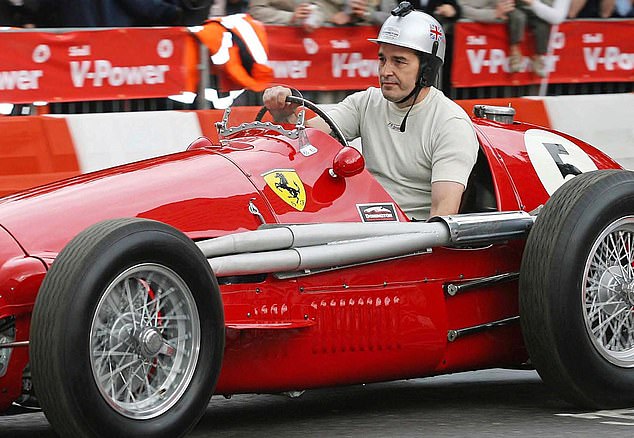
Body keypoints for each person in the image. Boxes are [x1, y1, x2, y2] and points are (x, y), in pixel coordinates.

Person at [263, 1, 479, 220]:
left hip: (412, 238)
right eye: (382, 59)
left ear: (427, 70)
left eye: (399, 62)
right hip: (360, 222)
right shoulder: (366, 101)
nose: (386, 71)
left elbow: (443, 217)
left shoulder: (450, 123)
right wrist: (283, 112)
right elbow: (308, 138)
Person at [507, 0, 571, 77]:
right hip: (515, 8)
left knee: (542, 25)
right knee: (518, 17)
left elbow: (557, 18)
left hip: (537, 12)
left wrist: (532, 2)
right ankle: (514, 53)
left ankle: (539, 57)